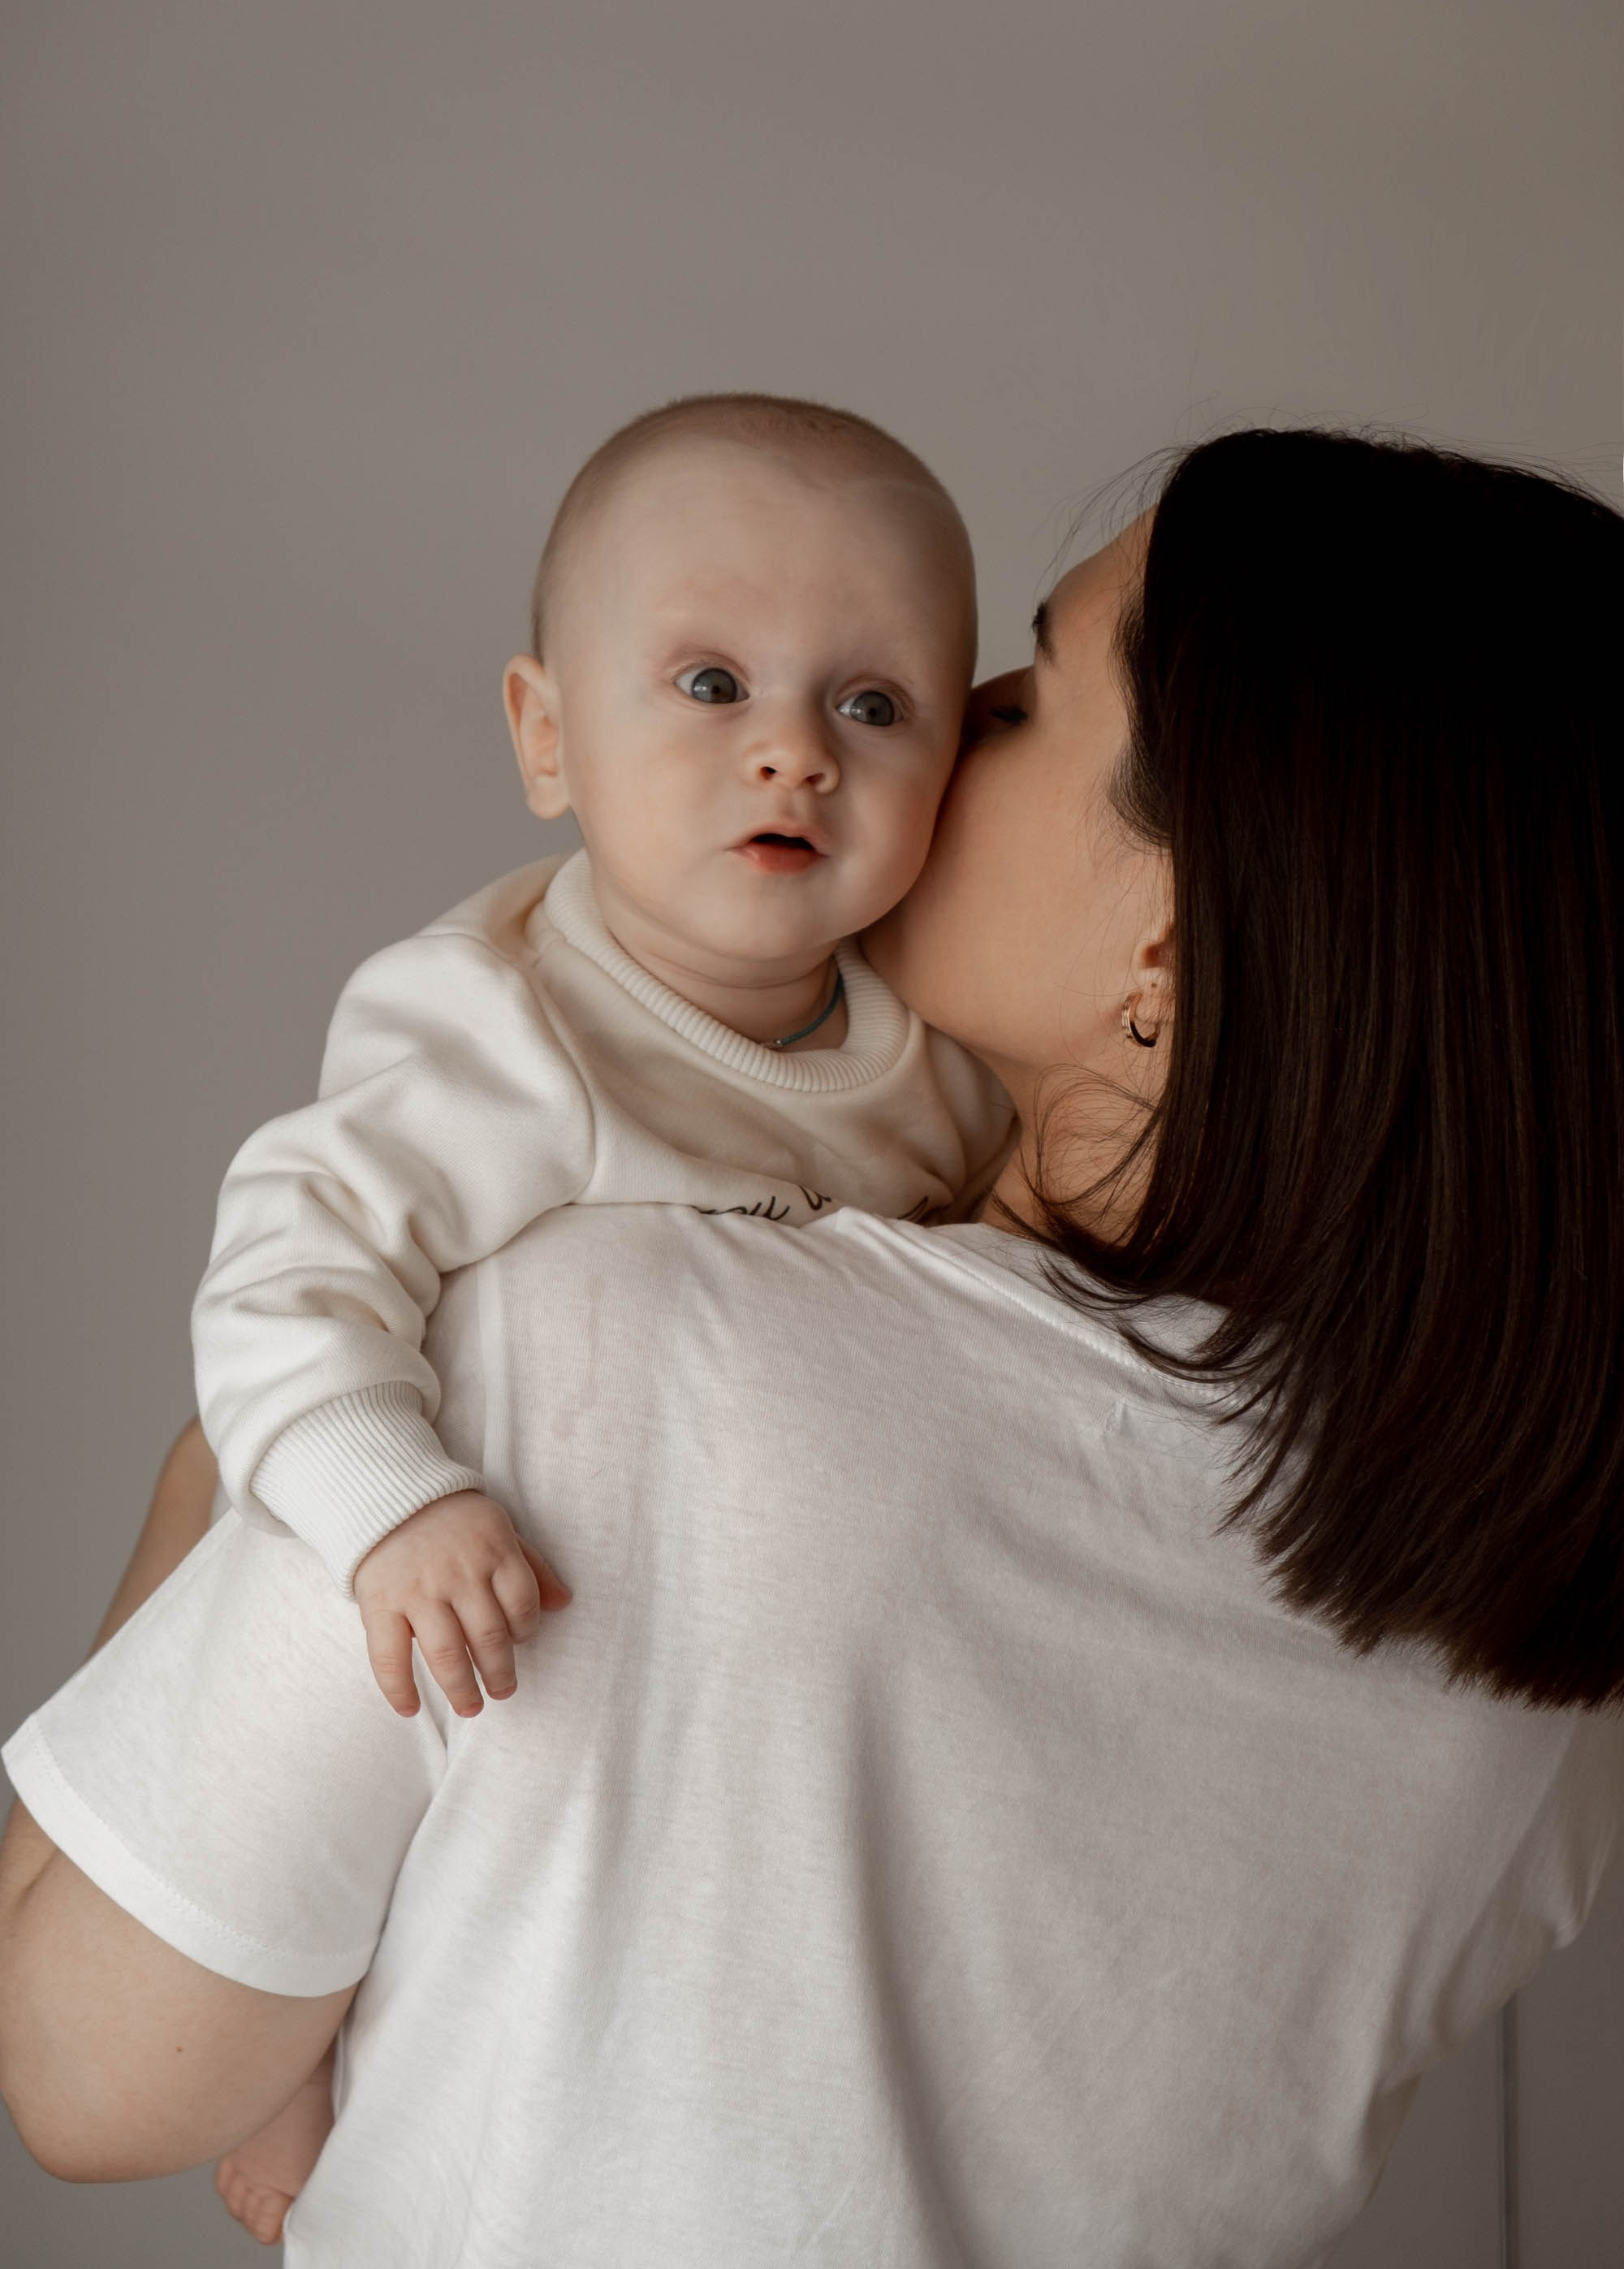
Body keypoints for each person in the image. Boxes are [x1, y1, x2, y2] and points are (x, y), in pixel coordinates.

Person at [3, 429, 1622, 2268]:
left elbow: (87, 2075)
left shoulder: (580, 1344)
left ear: (1174, 941)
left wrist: (240, 1442)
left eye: (1016, 701)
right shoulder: (1537, 1690)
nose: (912, 732)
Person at [192, 389, 1012, 1727]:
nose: (795, 753)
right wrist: (395, 1505)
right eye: (712, 685)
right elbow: (287, 1272)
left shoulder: (951, 1062)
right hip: (460, 1638)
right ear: (548, 738)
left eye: (873, 704)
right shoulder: (498, 1023)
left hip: (749, 1670)